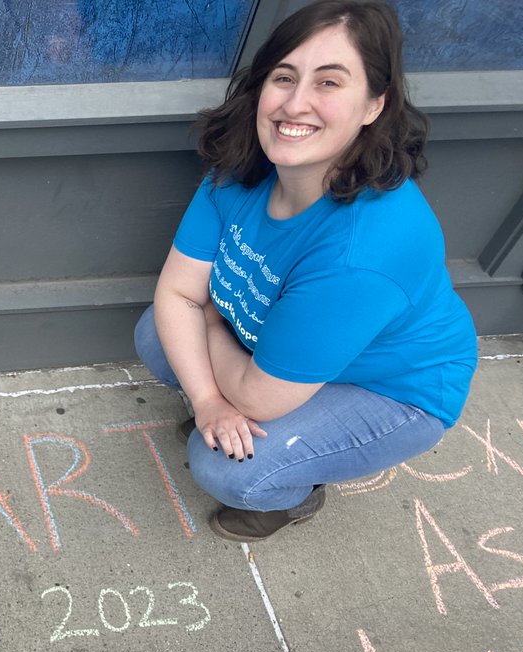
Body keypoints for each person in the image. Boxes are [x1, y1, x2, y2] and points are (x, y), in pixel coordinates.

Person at [134, 0, 476, 542]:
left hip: (388, 385)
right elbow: (176, 293)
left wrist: (214, 329)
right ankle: (228, 416)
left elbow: (252, 394)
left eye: (330, 83)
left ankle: (289, 496)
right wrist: (207, 402)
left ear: (373, 106)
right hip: (273, 349)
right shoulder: (242, 167)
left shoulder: (366, 249)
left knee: (228, 468)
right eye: (284, 77)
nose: (295, 104)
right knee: (157, 333)